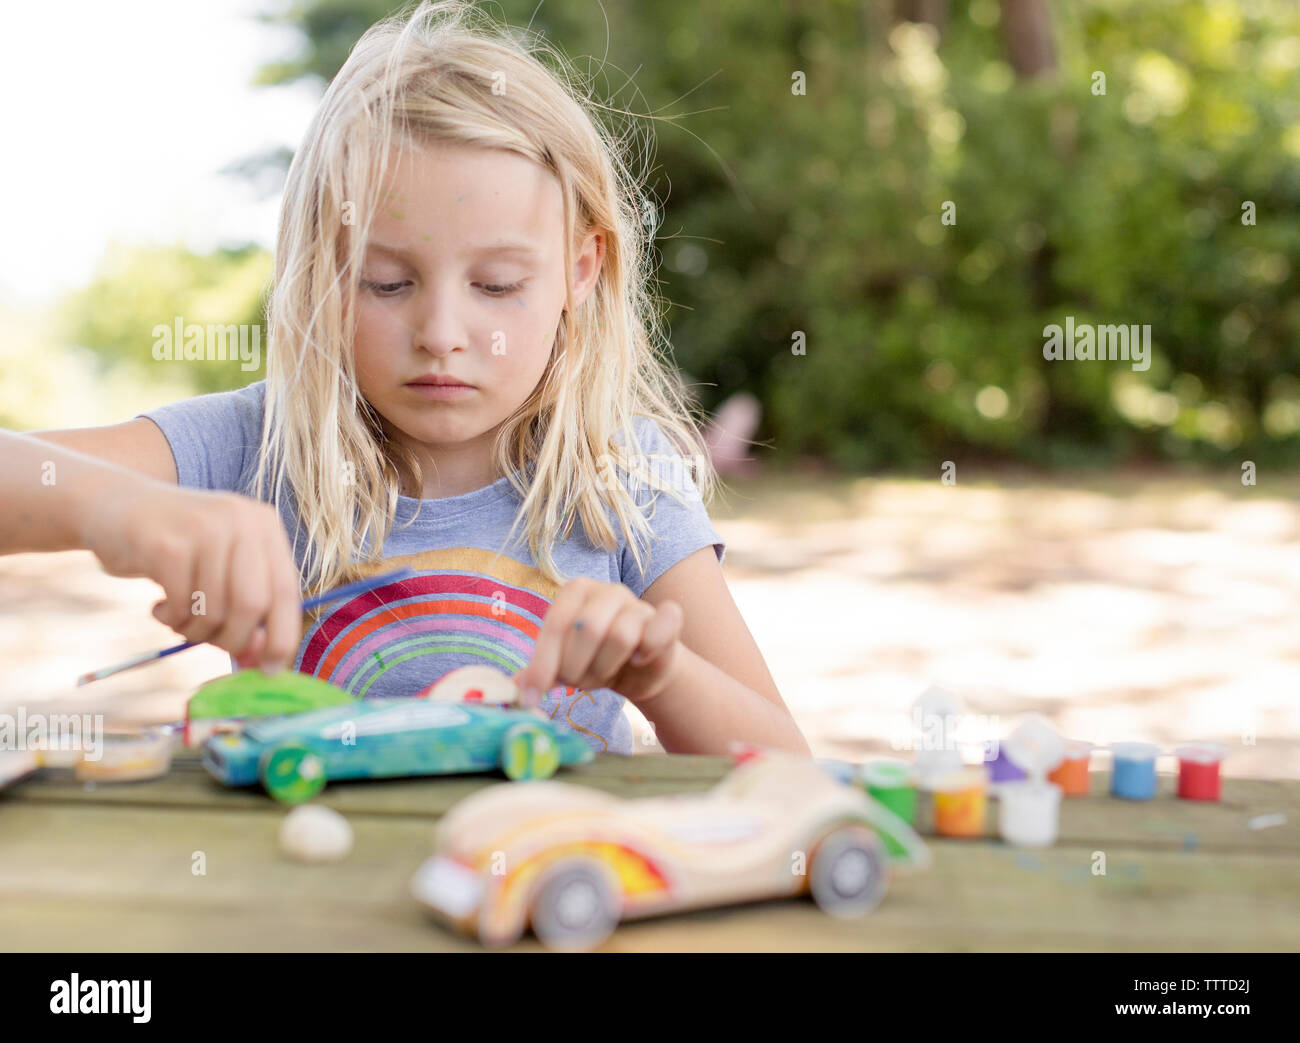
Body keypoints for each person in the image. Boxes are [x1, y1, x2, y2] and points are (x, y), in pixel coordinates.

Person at [0, 0, 807, 757]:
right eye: (387, 282)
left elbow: (787, 767)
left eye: (496, 285)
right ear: (321, 272)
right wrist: (115, 505)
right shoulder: (253, 446)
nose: (442, 336)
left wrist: (660, 675)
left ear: (581, 270)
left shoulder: (624, 479)